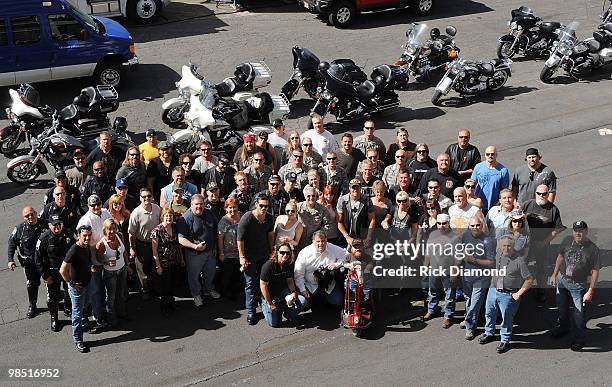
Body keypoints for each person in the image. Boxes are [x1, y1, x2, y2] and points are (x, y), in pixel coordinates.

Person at [549, 221, 600, 351]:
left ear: (586, 232)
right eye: (576, 230)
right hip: (562, 280)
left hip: (578, 285)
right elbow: (560, 256)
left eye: (581, 230)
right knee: (561, 308)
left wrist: (590, 292)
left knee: (578, 314)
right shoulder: (567, 240)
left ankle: (579, 338)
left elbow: (595, 272)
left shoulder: (593, 249)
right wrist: (554, 275)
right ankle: (564, 328)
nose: (578, 233)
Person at [479, 235, 533, 354]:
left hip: (508, 295)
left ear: (513, 247)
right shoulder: (498, 254)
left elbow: (529, 280)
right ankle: (489, 333)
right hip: (493, 290)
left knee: (506, 319)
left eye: (509, 246)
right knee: (489, 313)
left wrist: (519, 293)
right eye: (504, 246)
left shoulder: (520, 261)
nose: (506, 248)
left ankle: (505, 340)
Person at [237, 194, 275, 324]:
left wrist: (271, 252)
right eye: (261, 206)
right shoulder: (247, 218)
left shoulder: (269, 218)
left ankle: (265, 305)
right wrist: (242, 257)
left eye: (266, 206)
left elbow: (270, 235)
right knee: (250, 283)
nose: (264, 208)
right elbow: (240, 239)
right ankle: (251, 311)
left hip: (264, 254)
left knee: (265, 281)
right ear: (256, 205)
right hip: (249, 256)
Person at [522, 184, 564, 302]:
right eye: (539, 193)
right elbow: (517, 218)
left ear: (548, 194)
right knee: (522, 264)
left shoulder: (553, 210)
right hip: (526, 243)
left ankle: (541, 291)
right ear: (535, 193)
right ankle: (521, 288)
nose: (541, 196)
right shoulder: (527, 204)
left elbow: (558, 229)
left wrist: (544, 242)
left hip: (542, 245)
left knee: (542, 268)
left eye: (544, 194)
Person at [76, 194, 112, 328]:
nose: (96, 207)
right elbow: (81, 244)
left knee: (108, 285)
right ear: (88, 206)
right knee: (96, 288)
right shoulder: (85, 221)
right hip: (92, 256)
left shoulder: (105, 212)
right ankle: (98, 316)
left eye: (98, 204)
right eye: (92, 205)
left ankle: (109, 310)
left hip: (107, 253)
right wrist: (90, 263)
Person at [177, 194, 219, 306]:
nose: (199, 207)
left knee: (210, 273)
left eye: (201, 204)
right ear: (191, 205)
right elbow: (181, 239)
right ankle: (196, 294)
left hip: (210, 252)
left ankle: (208, 290)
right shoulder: (185, 218)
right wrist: (194, 246)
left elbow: (215, 228)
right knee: (194, 276)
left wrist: (215, 246)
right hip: (194, 254)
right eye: (196, 204)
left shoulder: (208, 212)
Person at [35, 215, 75, 332]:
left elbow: (76, 249)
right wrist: (45, 276)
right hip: (52, 272)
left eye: (59, 224)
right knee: (53, 297)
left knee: (69, 291)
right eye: (54, 225)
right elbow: (38, 259)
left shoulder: (68, 234)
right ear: (49, 226)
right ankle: (54, 318)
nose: (57, 227)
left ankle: (69, 309)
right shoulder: (43, 238)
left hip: (67, 270)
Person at [422, 214, 461, 328]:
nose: (441, 226)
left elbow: (458, 256)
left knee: (449, 294)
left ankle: (448, 316)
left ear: (449, 223)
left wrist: (455, 270)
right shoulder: (433, 235)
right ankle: (432, 310)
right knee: (432, 291)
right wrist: (425, 265)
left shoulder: (455, 237)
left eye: (444, 223)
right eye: (439, 223)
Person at [59, 225, 93, 353]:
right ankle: (78, 340)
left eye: (89, 235)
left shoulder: (86, 247)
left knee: (85, 306)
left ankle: (85, 325)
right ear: (78, 235)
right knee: (77, 313)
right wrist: (71, 283)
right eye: (85, 235)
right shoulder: (73, 250)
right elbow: (62, 270)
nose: (87, 238)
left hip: (87, 283)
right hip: (77, 288)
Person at [7, 206, 45, 319]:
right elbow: (11, 243)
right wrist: (10, 260)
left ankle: (55, 302)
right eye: (27, 216)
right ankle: (32, 306)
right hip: (30, 263)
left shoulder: (46, 224)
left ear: (36, 213)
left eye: (31, 214)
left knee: (51, 283)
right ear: (23, 217)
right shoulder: (19, 229)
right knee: (32, 285)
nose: (30, 217)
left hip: (45, 261)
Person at [461, 216, 496, 340]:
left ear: (482, 226)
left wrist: (474, 260)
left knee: (475, 303)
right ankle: (470, 319)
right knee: (468, 301)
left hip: (481, 278)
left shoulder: (488, 241)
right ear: (469, 226)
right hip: (466, 276)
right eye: (472, 226)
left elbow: (492, 262)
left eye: (477, 225)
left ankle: (470, 328)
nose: (475, 228)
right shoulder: (465, 236)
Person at [294, 231, 349, 308]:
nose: (321, 244)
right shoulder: (304, 253)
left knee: (338, 300)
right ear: (313, 241)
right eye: (318, 241)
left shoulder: (332, 247)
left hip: (328, 285)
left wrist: (336, 264)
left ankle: (325, 300)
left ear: (326, 240)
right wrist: (303, 289)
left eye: (323, 241)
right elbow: (298, 274)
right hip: (310, 285)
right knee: (304, 304)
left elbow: (346, 255)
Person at [260, 243, 307, 327]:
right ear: (277, 252)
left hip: (283, 292)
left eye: (288, 253)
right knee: (273, 323)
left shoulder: (288, 264)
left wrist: (293, 292)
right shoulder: (268, 266)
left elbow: (289, 280)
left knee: (302, 301)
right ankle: (265, 305)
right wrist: (270, 303)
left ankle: (288, 314)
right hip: (270, 296)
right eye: (282, 252)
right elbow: (263, 286)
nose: (285, 255)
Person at [128, 188, 161, 301]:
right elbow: (131, 234)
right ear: (140, 198)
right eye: (144, 197)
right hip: (142, 244)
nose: (147, 198)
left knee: (154, 267)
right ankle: (145, 289)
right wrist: (132, 248)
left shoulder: (157, 209)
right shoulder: (136, 213)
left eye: (149, 196)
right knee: (142, 270)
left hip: (155, 243)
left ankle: (155, 288)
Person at [95, 219, 129, 327]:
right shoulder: (101, 244)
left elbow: (124, 252)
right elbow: (99, 259)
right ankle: (111, 319)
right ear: (105, 230)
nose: (112, 232)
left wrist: (127, 265)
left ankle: (121, 313)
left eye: (114, 229)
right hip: (110, 274)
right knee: (111, 297)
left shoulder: (119, 236)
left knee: (121, 293)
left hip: (122, 269)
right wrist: (106, 261)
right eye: (109, 229)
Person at [151, 208, 185, 316]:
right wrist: (158, 266)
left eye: (170, 215)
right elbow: (154, 250)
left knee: (172, 284)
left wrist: (182, 259)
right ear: (162, 217)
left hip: (174, 261)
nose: (169, 218)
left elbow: (178, 244)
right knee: (165, 286)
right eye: (166, 216)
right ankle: (164, 307)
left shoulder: (175, 227)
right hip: (163, 263)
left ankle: (171, 303)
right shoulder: (156, 231)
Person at [337, 179, 375, 248]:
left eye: (357, 187)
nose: (355, 190)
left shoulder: (367, 200)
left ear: (360, 188)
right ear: (349, 188)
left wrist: (368, 237)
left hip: (362, 236)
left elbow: (372, 219)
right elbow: (339, 222)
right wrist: (347, 237)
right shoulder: (342, 200)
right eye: (353, 187)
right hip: (346, 236)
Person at [471, 146, 510, 213]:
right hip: (477, 206)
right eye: (488, 154)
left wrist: (499, 204)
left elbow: (504, 191)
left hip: (494, 207)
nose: (490, 156)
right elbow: (471, 184)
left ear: (496, 155)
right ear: (485, 155)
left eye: (492, 154)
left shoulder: (503, 171)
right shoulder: (478, 167)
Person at [217, 198, 242, 299]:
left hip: (240, 251)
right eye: (230, 208)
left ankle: (236, 290)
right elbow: (220, 238)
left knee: (237, 273)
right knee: (228, 274)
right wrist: (221, 253)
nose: (232, 210)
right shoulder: (223, 222)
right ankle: (226, 292)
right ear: (226, 209)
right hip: (228, 253)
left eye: (234, 207)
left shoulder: (241, 215)